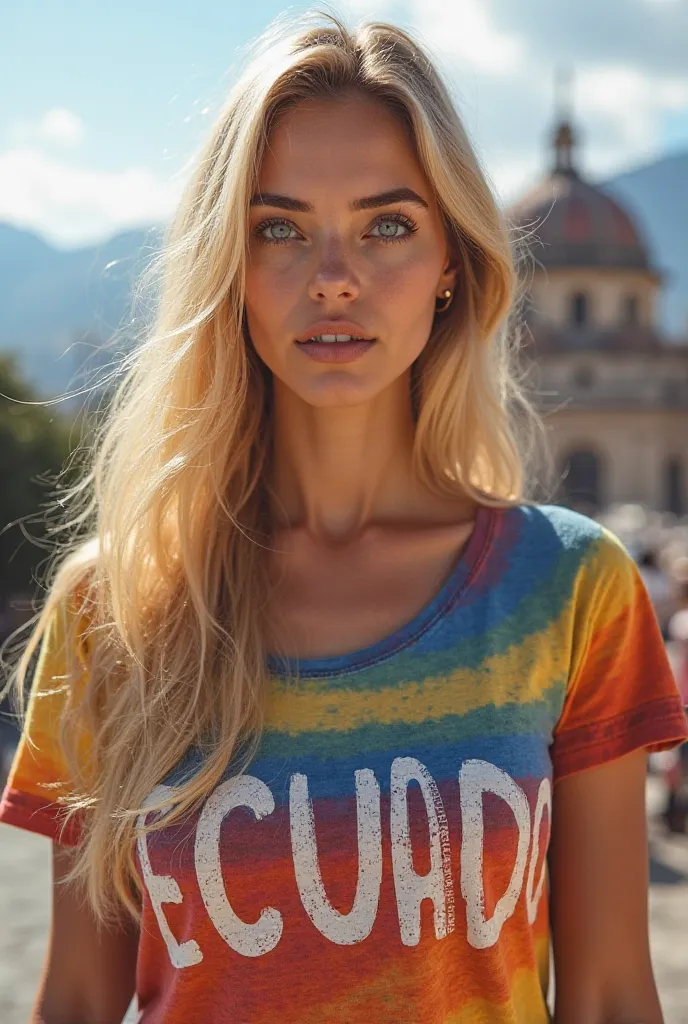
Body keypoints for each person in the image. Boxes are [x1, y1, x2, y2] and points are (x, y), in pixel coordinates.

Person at [1, 14, 686, 1024]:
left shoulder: (569, 589)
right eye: (279, 226)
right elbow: (75, 1001)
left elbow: (612, 996)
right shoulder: (115, 608)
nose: (334, 274)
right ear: (226, 264)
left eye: (387, 225)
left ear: (453, 261)